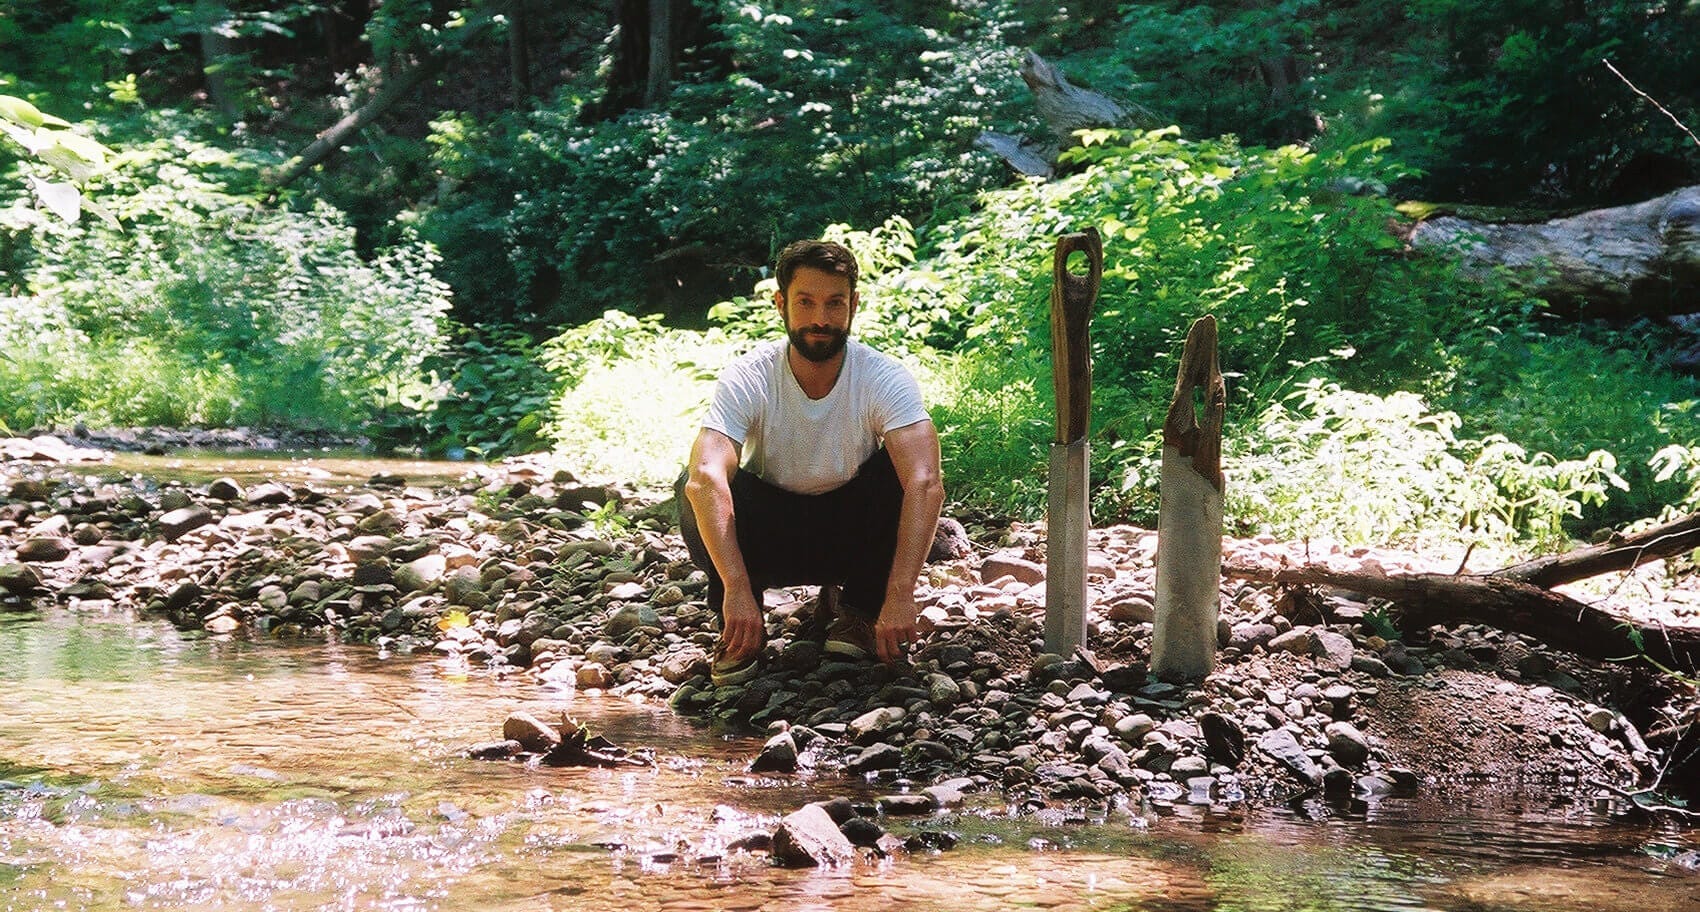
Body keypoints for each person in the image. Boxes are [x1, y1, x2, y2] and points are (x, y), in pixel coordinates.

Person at [678, 239, 944, 686]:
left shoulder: (882, 375)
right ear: (781, 303)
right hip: (768, 535)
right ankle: (742, 625)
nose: (820, 318)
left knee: (905, 473)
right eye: (805, 302)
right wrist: (737, 590)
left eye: (834, 303)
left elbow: (926, 483)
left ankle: (859, 611)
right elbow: (706, 475)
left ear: (853, 305)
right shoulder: (750, 375)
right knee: (694, 481)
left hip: (854, 537)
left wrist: (900, 595)